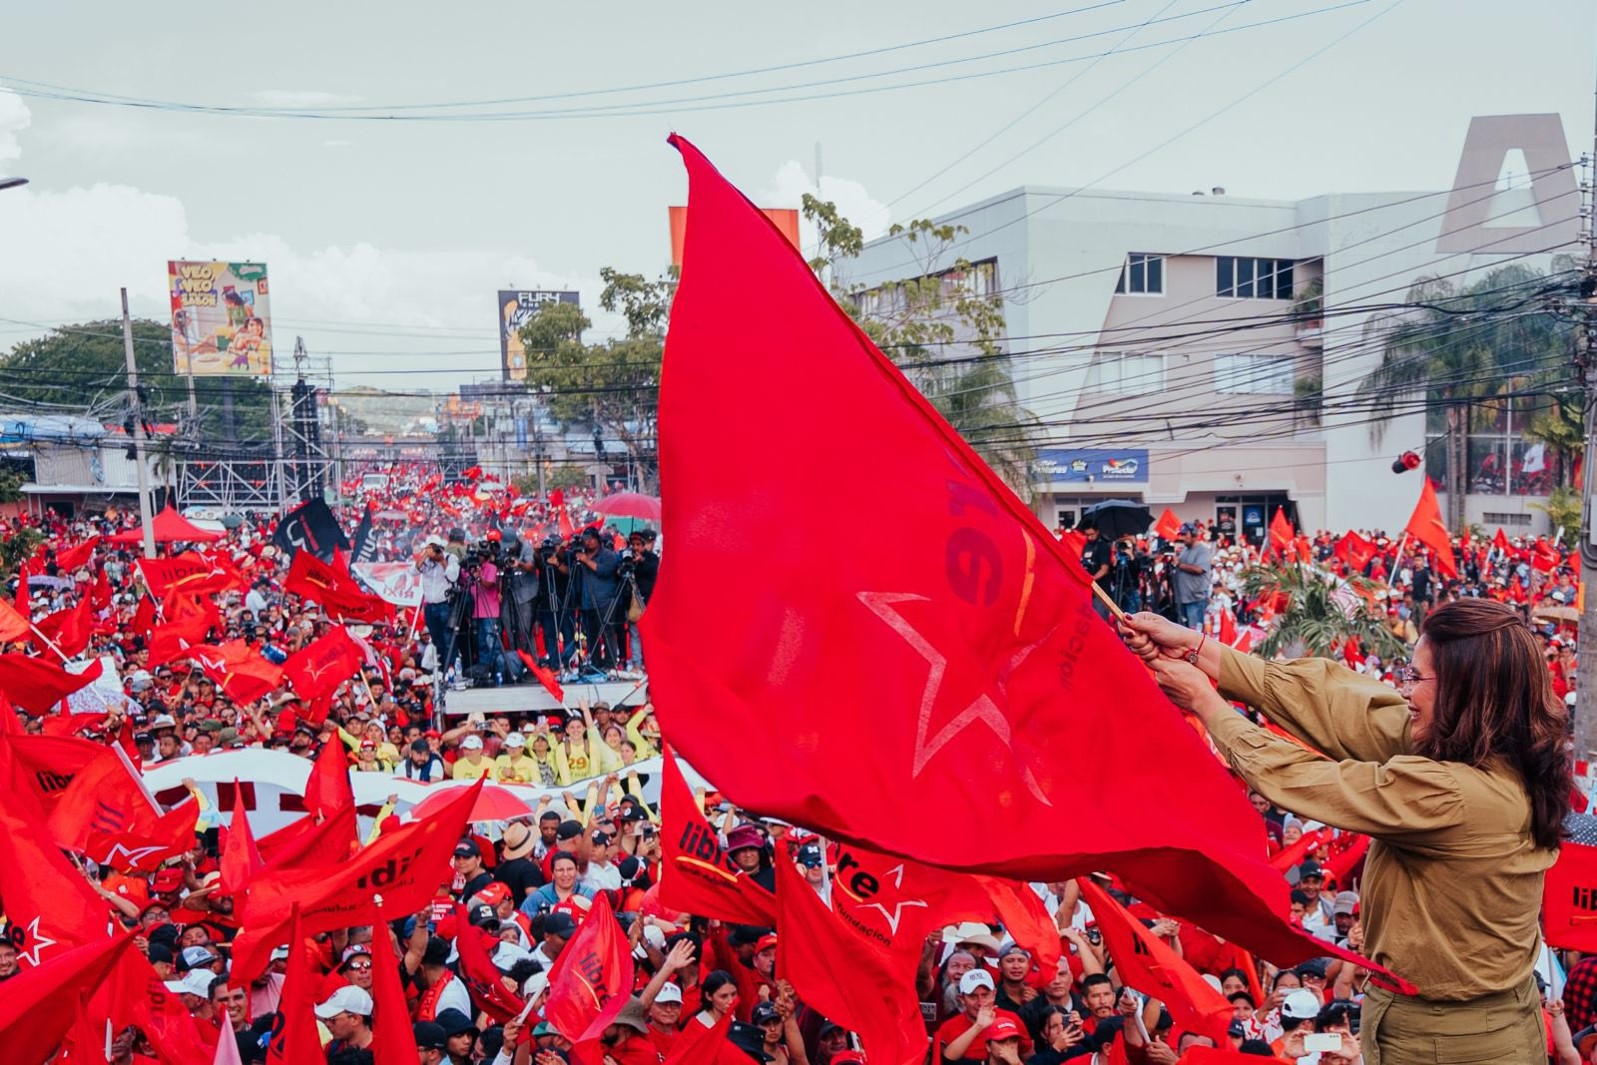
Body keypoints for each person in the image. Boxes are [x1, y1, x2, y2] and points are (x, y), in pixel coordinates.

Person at [1122, 599, 1569, 1063]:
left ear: (1466, 692)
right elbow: (1347, 709)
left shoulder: (1457, 792)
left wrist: (1205, 702)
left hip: (1451, 1043)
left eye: (1417, 678)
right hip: (1440, 1026)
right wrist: (1199, 649)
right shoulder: (1487, 747)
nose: (1404, 692)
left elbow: (1305, 779)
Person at [417, 536, 461, 664]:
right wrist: (424, 555)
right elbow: (413, 571)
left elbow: (453, 577)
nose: (433, 551)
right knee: (436, 639)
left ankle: (451, 667)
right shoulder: (425, 561)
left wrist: (442, 561)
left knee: (448, 639)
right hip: (430, 606)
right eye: (430, 548)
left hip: (445, 605)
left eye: (434, 548)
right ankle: (442, 667)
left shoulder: (450, 558)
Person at [1171, 523, 1212, 630]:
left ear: (1194, 534)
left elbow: (1199, 569)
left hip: (1195, 599)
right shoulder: (1185, 549)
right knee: (1184, 631)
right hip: (1182, 598)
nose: (1183, 537)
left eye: (1185, 534)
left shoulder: (1202, 550)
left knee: (1195, 634)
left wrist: (1179, 564)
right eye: (1181, 535)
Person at [316, 985, 375, 1056]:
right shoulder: (332, 1048)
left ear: (355, 1019)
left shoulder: (383, 1051)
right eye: (325, 1019)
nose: (327, 1024)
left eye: (332, 1019)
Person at [1078, 520, 1112, 620]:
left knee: (1100, 620)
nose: (1089, 537)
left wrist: (1091, 579)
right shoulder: (1086, 546)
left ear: (1097, 532)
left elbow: (1104, 569)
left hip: (1100, 591)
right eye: (1087, 535)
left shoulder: (1103, 546)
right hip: (1088, 592)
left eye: (1091, 534)